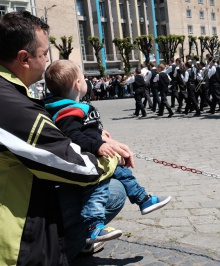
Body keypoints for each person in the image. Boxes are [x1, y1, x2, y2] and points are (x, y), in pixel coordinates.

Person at [0, 11, 134, 265]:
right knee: (114, 190)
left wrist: (95, 138)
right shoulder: (8, 105)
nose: (46, 60)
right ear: (24, 58)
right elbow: (79, 167)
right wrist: (113, 155)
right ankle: (72, 244)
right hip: (6, 241)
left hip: (5, 195)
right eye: (43, 54)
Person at [44, 59, 171, 240]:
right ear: (77, 84)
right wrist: (98, 144)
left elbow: (83, 128)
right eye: (83, 76)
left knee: (123, 173)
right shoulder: (67, 110)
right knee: (98, 190)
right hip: (89, 160)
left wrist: (99, 133)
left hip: (97, 153)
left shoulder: (72, 107)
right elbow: (72, 135)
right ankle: (94, 226)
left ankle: (143, 199)